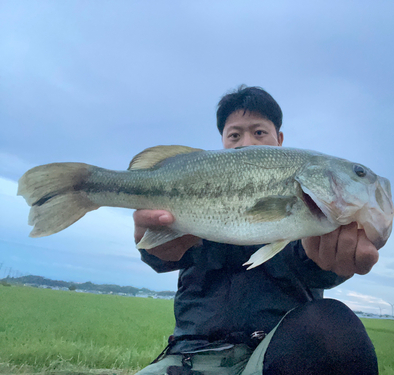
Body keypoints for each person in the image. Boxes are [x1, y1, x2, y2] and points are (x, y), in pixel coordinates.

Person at [134, 86, 380, 375]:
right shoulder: (193, 190)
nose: (246, 142)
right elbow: (162, 255)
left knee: (334, 325)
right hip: (189, 357)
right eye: (234, 135)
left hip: (277, 358)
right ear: (222, 143)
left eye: (259, 132)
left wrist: (333, 259)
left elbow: (318, 267)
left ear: (280, 140)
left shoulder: (316, 212)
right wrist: (151, 246)